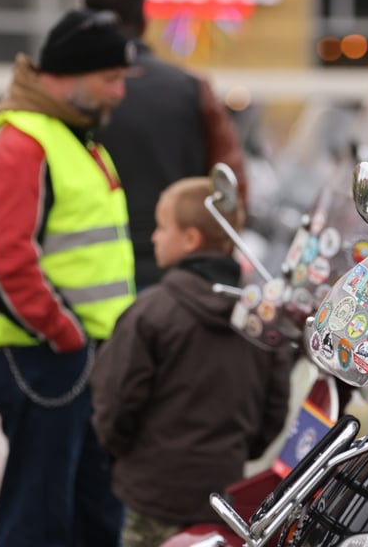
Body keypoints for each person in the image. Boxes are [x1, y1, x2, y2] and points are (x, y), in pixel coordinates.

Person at [0, 9, 137, 547]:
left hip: (76, 353)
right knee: (40, 518)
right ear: (68, 74)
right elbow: (2, 261)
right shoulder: (20, 142)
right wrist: (66, 335)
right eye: (110, 79)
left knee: (92, 513)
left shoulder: (69, 137)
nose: (119, 93)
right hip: (45, 354)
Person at [90, 177, 291, 547]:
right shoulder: (261, 320)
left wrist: (123, 454)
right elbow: (274, 410)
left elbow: (114, 400)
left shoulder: (150, 313)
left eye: (162, 226)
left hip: (149, 493)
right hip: (218, 494)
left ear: (190, 239)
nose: (153, 237)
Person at [84, 0, 247, 289]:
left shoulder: (79, 94)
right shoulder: (189, 87)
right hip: (179, 262)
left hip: (92, 264)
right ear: (144, 24)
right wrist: (221, 251)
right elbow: (230, 178)